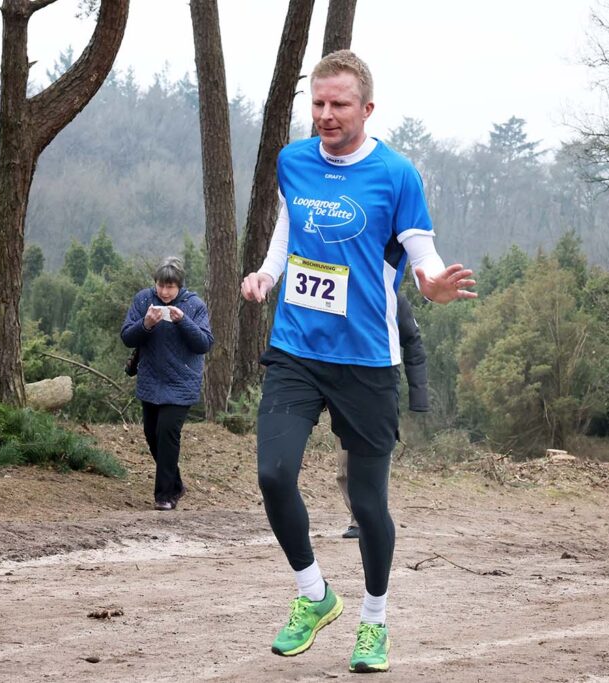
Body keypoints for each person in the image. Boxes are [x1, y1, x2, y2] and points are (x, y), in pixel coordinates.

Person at [239, 50, 476, 674]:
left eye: (338, 104)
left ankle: (374, 622)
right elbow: (289, 226)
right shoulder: (293, 161)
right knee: (272, 473)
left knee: (368, 504)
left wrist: (431, 284)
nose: (325, 115)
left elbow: (421, 251)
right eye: (317, 103)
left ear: (366, 108)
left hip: (368, 359)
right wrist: (267, 273)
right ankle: (314, 596)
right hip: (296, 348)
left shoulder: (396, 175)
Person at [121, 256, 213, 511]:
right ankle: (176, 484)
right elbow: (127, 337)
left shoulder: (194, 305)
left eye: (170, 287)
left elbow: (204, 343)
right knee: (152, 435)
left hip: (181, 381)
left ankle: (164, 496)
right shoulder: (143, 300)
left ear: (179, 286)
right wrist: (146, 324)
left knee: (167, 433)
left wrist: (183, 321)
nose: (164, 292)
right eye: (161, 286)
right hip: (151, 379)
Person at [337, 292, 429, 540]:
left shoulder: (393, 297)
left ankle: (368, 518)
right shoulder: (341, 288)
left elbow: (413, 341)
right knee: (344, 468)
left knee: (372, 462)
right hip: (341, 390)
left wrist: (419, 396)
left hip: (378, 391)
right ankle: (359, 517)